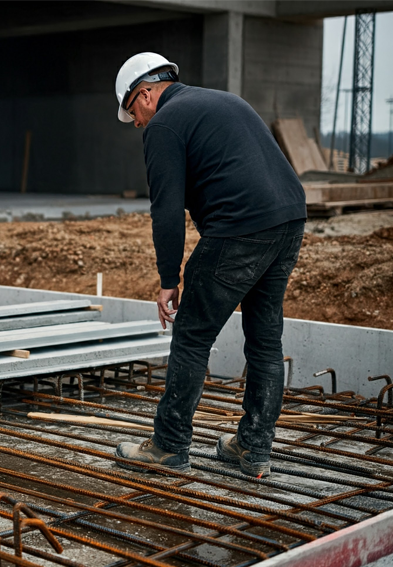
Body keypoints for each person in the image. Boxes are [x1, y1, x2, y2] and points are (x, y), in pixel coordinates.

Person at [113, 52, 306, 477]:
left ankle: (168, 445)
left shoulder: (164, 123)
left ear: (144, 94)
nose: (138, 124)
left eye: (133, 114)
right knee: (265, 338)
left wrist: (168, 281)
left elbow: (165, 210)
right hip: (289, 219)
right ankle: (253, 449)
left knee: (192, 336)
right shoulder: (223, 101)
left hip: (239, 228)